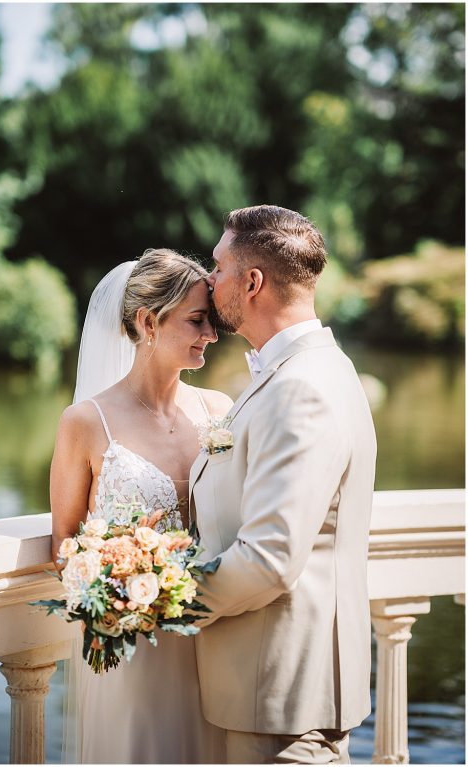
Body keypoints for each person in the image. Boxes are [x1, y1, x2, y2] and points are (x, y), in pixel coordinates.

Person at [190, 205, 376, 764]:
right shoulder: (303, 371)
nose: (208, 279)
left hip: (282, 703)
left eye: (218, 266)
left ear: (252, 283)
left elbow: (270, 558)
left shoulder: (302, 388)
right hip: (273, 693)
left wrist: (159, 600)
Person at [50, 249, 230, 763]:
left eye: (212, 321)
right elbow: (65, 542)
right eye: (198, 321)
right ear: (148, 321)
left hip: (214, 630)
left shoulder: (219, 412)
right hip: (132, 643)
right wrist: (118, 592)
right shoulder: (86, 422)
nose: (211, 335)